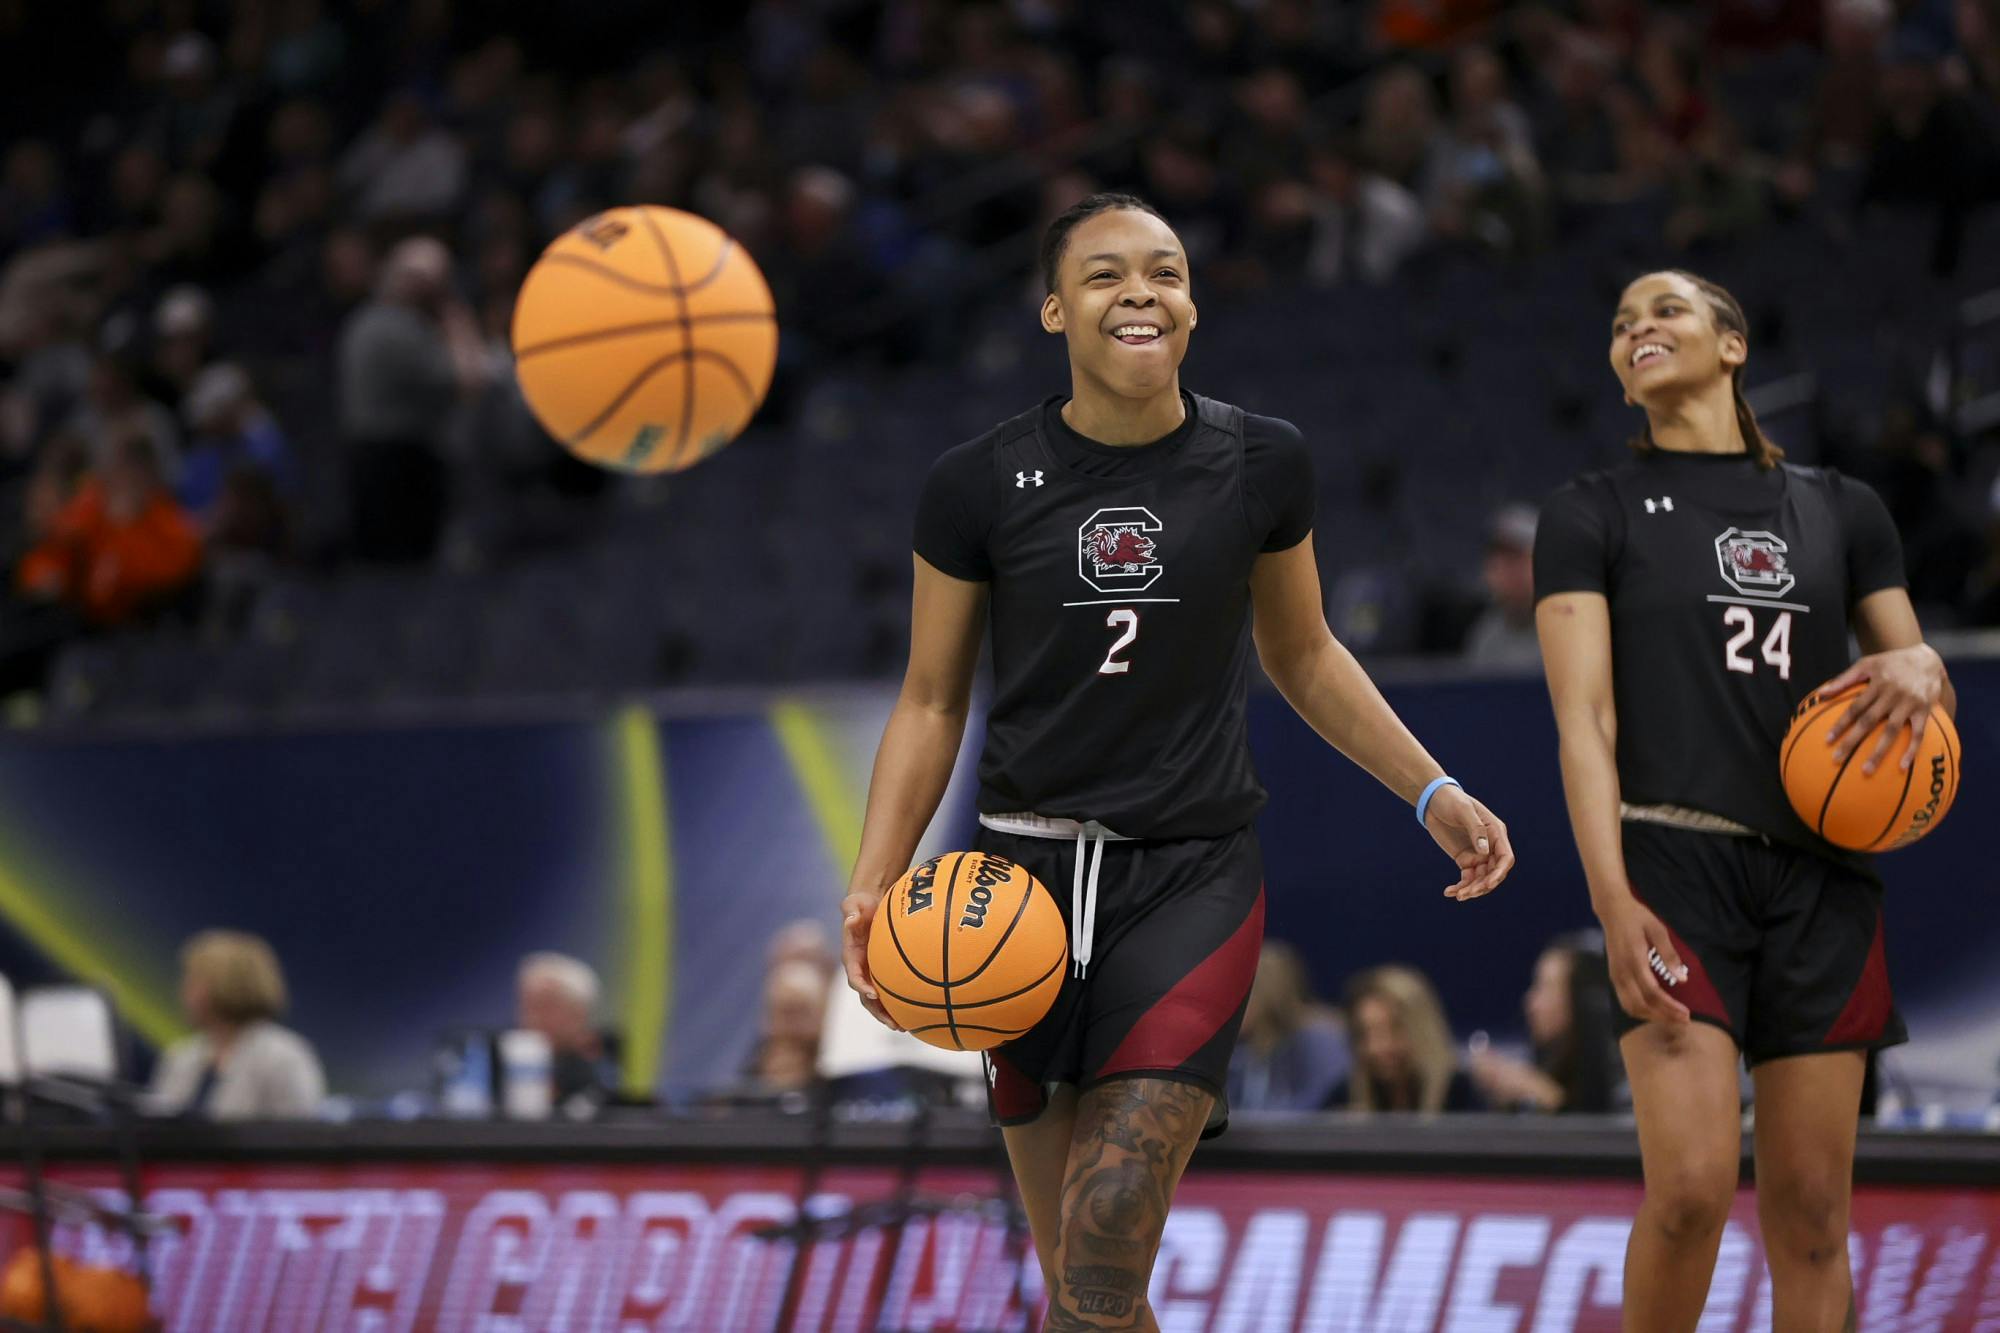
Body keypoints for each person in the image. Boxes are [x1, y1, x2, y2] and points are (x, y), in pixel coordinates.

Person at [839, 192, 1513, 1331]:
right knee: (1081, 1289)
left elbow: (1301, 655)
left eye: (1165, 270)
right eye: (1104, 275)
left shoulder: (1260, 460)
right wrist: (872, 876)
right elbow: (929, 697)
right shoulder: (975, 481)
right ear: (1053, 308)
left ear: (1193, 308)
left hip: (1188, 880)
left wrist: (1431, 788)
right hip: (1015, 890)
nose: (1139, 291)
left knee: (1103, 1238)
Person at [1534, 269, 1955, 1332]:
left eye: (1663, 312)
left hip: (1820, 880)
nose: (1637, 331)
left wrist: (1919, 670)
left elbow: (1912, 670)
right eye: (1620, 323)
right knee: (1687, 1191)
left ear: (1731, 345)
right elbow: (1581, 722)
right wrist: (1609, 897)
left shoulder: (1839, 508)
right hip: (1671, 868)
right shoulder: (1589, 511)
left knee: (1812, 1213)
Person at [148, 930, 325, 1120]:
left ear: (225, 985)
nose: (184, 993)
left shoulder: (284, 1057)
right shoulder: (181, 1057)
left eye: (194, 982)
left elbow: (299, 1137)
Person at [1468, 931, 1620, 1113]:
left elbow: (1613, 1133)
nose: (1531, 1003)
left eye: (1544, 988)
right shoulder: (1552, 1063)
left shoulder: (1627, 1075)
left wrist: (1549, 1099)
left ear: (1583, 999)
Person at [1329, 964, 1482, 1113]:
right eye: (1363, 1034)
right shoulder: (1346, 1098)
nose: (1375, 1047)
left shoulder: (1463, 1094)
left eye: (1394, 1029)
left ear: (1422, 1029)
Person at [1226, 940, 1350, 1112]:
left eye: (1239, 994)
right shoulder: (1243, 1048)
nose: (1227, 1006)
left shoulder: (1320, 1038)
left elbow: (1321, 1105)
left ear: (1270, 994)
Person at [515, 952, 612, 1112]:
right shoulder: (498, 1068)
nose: (534, 1018)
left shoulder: (603, 1073)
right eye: (528, 1006)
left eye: (546, 1006)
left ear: (580, 1013)